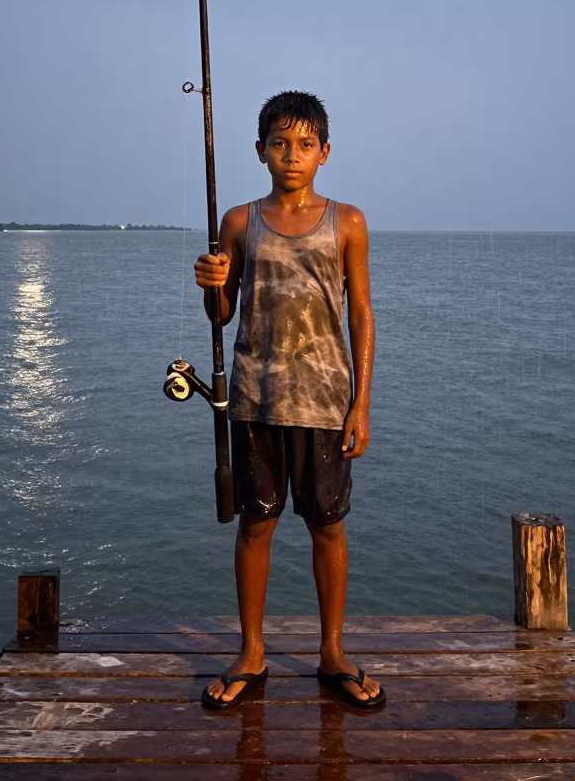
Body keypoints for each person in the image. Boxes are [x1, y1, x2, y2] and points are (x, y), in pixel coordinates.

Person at [193, 90, 384, 711]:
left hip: (327, 401)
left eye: (305, 145)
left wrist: (361, 404)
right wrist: (213, 285)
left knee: (328, 529)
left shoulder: (348, 221)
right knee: (256, 525)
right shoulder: (241, 223)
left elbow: (362, 313)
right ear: (260, 151)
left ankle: (332, 653)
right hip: (256, 399)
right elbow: (221, 316)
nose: (292, 156)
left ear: (325, 152)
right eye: (280, 144)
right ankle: (252, 652)